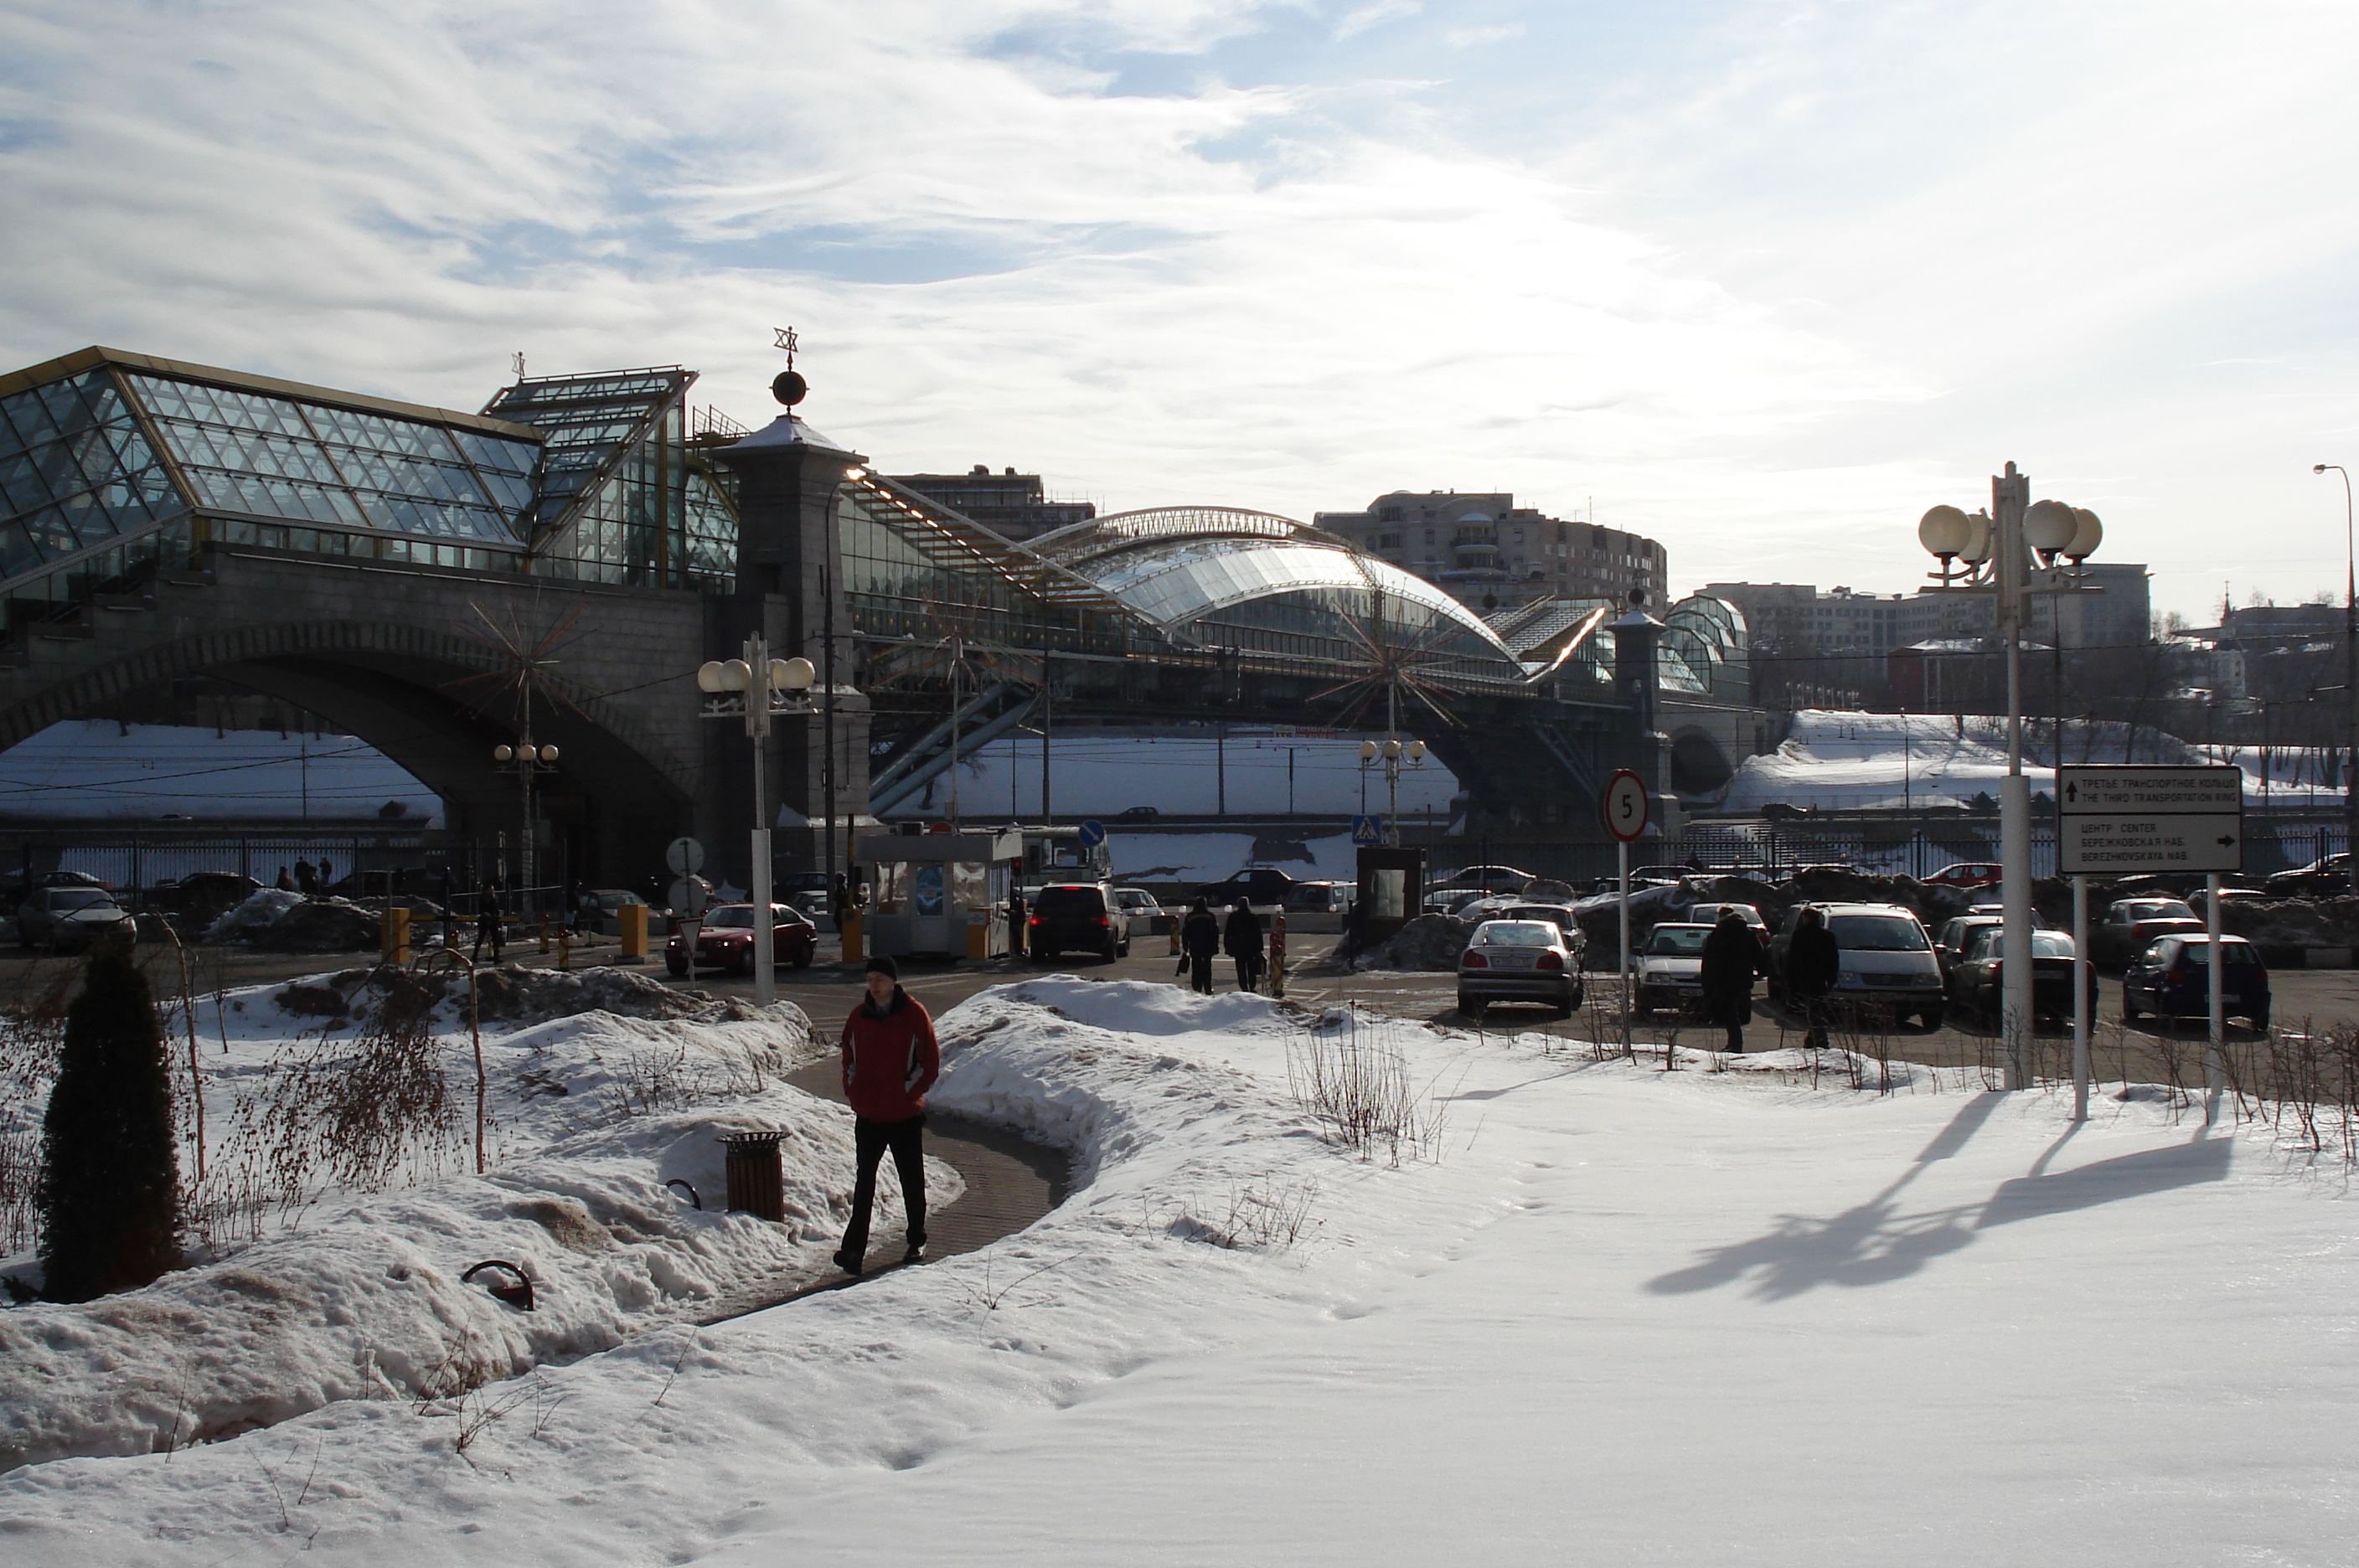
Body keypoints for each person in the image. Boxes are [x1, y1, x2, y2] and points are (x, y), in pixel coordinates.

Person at [834, 956, 939, 1277]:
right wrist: (854, 1092)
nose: (874, 984)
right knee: (864, 1182)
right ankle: (853, 1252)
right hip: (869, 1114)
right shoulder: (858, 1017)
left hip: (903, 1114)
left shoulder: (913, 1014)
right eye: (870, 979)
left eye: (880, 978)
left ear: (893, 981)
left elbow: (929, 1061)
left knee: (911, 1179)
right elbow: (848, 1058)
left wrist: (908, 1092)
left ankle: (916, 1239)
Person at [1699, 907, 1763, 1055]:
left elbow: (1710, 959)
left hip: (1724, 978)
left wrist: (1708, 980)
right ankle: (1734, 1042)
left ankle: (1735, 1043)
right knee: (1737, 1010)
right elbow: (1759, 954)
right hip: (1743, 978)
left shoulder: (1719, 934)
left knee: (1729, 1010)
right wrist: (1762, 972)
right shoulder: (1748, 934)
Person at [1784, 905, 1840, 1050]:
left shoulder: (1800, 934)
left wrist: (1790, 979)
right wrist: (1832, 977)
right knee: (1817, 1006)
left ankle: (1819, 1039)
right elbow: (1833, 959)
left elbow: (1793, 958)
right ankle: (1814, 1039)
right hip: (1821, 977)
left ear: (1807, 919)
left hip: (1804, 976)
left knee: (1812, 1008)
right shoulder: (1827, 936)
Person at [1180, 897, 1221, 995]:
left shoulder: (1190, 916)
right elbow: (1216, 932)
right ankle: (1208, 987)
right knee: (1207, 966)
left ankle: (1197, 987)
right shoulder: (1210, 916)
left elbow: (1185, 933)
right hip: (1208, 946)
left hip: (1195, 945)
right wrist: (1215, 946)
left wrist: (1186, 947)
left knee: (1196, 966)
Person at [1224, 898, 1265, 993]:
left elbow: (1228, 933)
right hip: (1251, 947)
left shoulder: (1233, 917)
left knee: (1240, 968)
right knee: (1251, 968)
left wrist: (1228, 947)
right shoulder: (1253, 917)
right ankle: (1252, 986)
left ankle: (1243, 987)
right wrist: (1260, 948)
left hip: (1238, 947)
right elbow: (1258, 934)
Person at [472, 885, 504, 963]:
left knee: (495, 939)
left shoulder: (495, 898)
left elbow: (496, 909)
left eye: (493, 889)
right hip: (485, 920)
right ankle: (474, 956)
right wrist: (486, 915)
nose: (492, 891)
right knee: (481, 938)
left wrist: (499, 920)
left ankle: (496, 957)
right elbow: (482, 910)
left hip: (494, 920)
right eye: (490, 890)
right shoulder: (483, 898)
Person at [1007, 885, 1027, 959]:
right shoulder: (1016, 894)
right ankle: (1018, 951)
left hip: (1016, 918)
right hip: (1019, 918)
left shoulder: (1012, 895)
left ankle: (1018, 951)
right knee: (1018, 935)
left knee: (1017, 935)